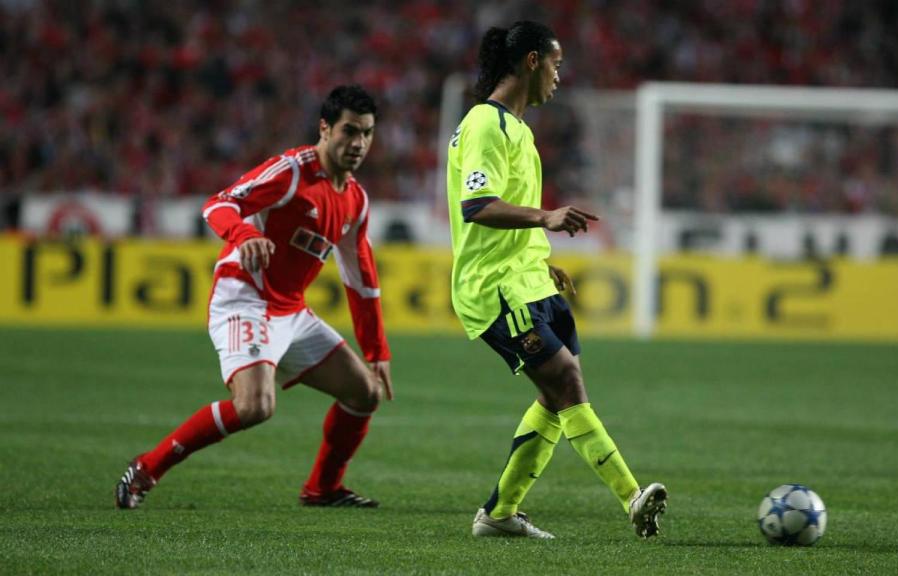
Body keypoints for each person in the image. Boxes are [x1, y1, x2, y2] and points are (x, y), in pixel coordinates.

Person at [115, 85, 393, 510]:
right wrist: (244, 232)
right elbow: (219, 204)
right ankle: (147, 467)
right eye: (349, 131)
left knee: (365, 393)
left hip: (291, 310)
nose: (358, 144)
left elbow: (362, 279)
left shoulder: (355, 199)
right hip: (244, 298)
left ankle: (322, 489)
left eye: (367, 134)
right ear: (324, 128)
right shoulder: (291, 172)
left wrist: (376, 349)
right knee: (255, 406)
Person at [446, 21, 667, 539]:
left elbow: (501, 210)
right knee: (566, 380)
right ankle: (632, 498)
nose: (558, 77)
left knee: (553, 395)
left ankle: (499, 515)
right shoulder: (485, 124)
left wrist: (538, 256)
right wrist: (545, 218)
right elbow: (477, 207)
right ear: (530, 61)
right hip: (495, 289)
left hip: (529, 281)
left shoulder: (518, 130)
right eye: (556, 64)